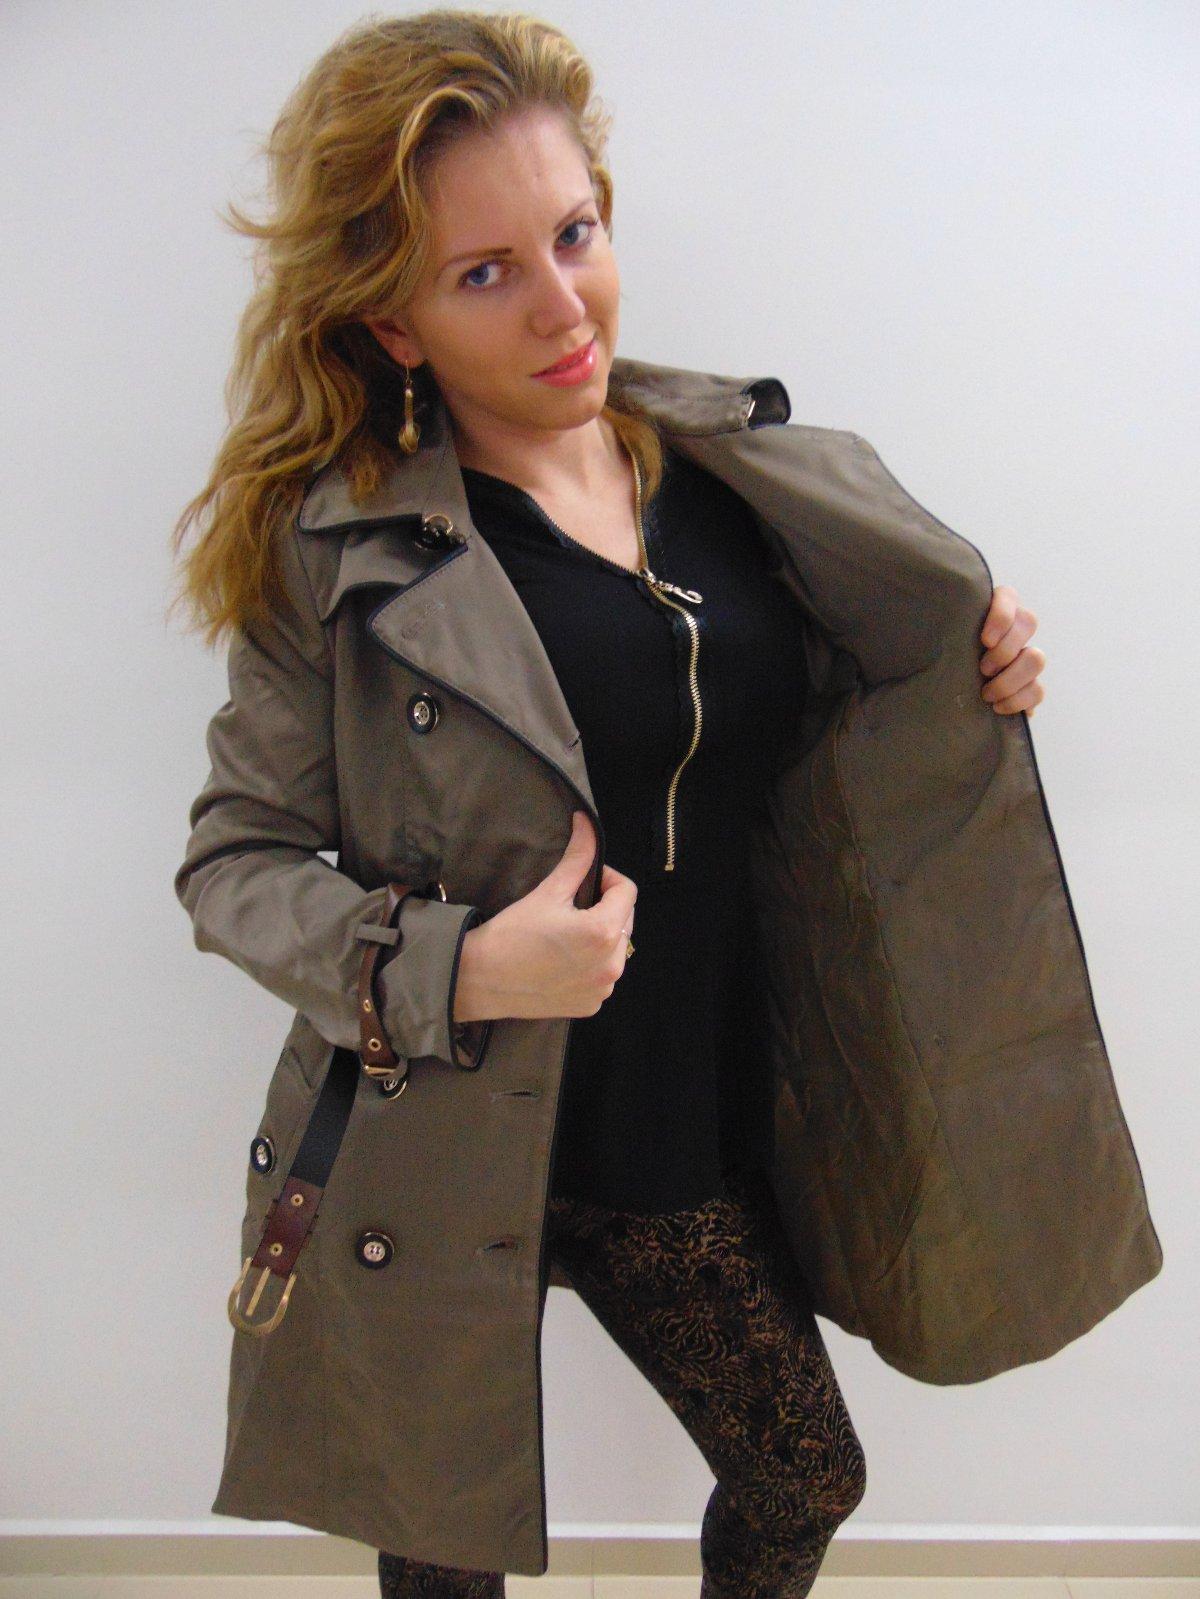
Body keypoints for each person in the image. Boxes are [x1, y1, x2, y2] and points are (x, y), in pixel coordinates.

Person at [170, 12, 1053, 1597]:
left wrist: (961, 666)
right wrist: (460, 965)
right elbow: (232, 863)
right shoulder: (339, 553)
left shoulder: (734, 479)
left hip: (677, 1123)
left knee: (802, 1477)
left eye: (574, 234)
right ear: (392, 323)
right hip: (440, 1128)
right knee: (445, 1543)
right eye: (484, 272)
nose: (562, 304)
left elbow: (776, 735)